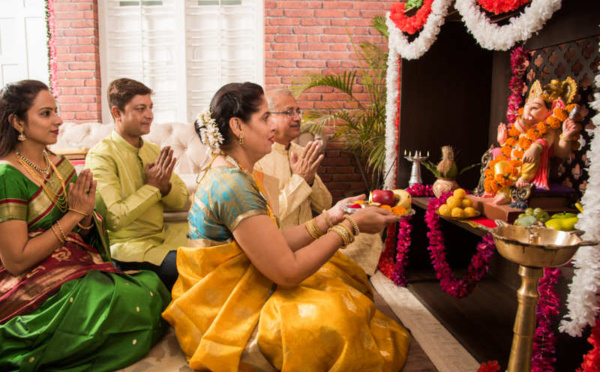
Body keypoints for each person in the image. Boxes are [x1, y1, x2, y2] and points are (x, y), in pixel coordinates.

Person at [162, 82, 410, 371]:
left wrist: (330, 216)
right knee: (338, 319)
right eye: (266, 118)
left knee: (337, 278)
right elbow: (288, 272)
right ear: (237, 127)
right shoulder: (233, 186)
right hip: (228, 311)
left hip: (240, 285)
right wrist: (350, 226)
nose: (273, 127)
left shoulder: (231, 169)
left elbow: (271, 240)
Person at [0, 80, 169, 371]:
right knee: (122, 302)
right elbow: (15, 261)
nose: (58, 120)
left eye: (56, 111)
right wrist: (74, 216)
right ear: (17, 121)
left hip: (71, 265)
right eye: (45, 114)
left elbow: (84, 229)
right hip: (32, 283)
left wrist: (87, 215)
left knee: (151, 287)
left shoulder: (57, 164)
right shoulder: (7, 175)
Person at [256, 89, 385, 275]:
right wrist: (299, 180)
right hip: (285, 245)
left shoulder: (301, 152)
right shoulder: (260, 158)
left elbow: (324, 203)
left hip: (314, 236)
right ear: (268, 118)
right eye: (288, 112)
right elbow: (273, 215)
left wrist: (309, 181)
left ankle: (345, 279)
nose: (297, 118)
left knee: (366, 233)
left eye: (298, 111)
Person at [85, 78, 189, 290]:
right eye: (140, 109)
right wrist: (152, 188)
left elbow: (182, 200)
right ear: (117, 113)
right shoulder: (101, 156)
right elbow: (114, 218)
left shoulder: (152, 150)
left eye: (150, 108)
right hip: (128, 250)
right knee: (194, 269)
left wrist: (165, 187)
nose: (150, 115)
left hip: (165, 238)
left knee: (221, 253)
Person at [485, 77, 580, 204]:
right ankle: (502, 192)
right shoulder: (524, 126)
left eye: (534, 108)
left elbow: (560, 153)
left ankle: (520, 181)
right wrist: (503, 142)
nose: (527, 111)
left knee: (536, 146)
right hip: (515, 162)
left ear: (549, 112)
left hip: (532, 169)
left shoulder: (548, 129)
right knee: (498, 161)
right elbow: (514, 146)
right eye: (526, 106)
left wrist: (566, 136)